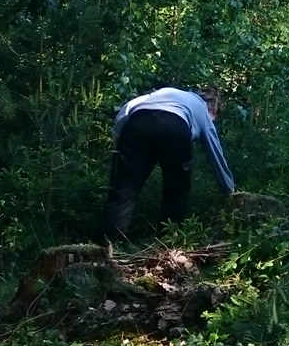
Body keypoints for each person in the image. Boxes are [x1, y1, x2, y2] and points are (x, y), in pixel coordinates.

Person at [101, 87, 236, 242]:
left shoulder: (165, 93)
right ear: (212, 106)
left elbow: (125, 111)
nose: (212, 121)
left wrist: (120, 142)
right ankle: (167, 244)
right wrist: (229, 190)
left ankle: (107, 246)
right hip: (174, 128)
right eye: (214, 117)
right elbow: (215, 153)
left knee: (122, 191)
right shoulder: (201, 108)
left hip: (138, 124)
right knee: (176, 193)